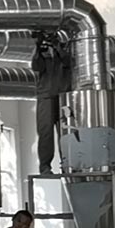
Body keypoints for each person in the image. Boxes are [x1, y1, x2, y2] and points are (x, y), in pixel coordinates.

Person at [31, 31, 71, 174]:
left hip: (63, 96)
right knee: (45, 133)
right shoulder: (41, 53)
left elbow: (69, 62)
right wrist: (38, 47)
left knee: (66, 133)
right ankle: (45, 167)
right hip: (46, 96)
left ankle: (68, 165)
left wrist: (58, 47)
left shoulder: (65, 51)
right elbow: (36, 66)